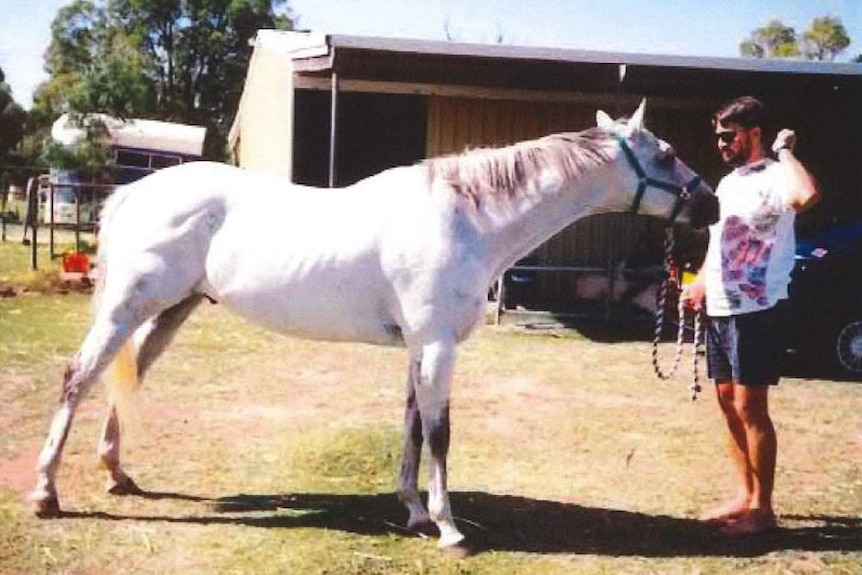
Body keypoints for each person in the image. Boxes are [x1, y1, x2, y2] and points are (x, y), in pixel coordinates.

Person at [681, 96, 820, 535]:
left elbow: (806, 195)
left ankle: (763, 510)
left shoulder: (779, 175)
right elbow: (718, 243)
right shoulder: (726, 184)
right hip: (721, 306)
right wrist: (701, 281)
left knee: (749, 405)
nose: (722, 144)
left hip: (757, 307)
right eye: (719, 136)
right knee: (727, 403)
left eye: (730, 136)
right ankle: (743, 495)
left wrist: (784, 151)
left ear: (753, 133)